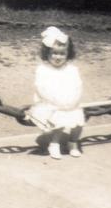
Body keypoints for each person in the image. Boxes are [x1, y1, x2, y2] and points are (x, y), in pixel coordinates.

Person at [27, 26, 85, 159]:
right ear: (47, 54)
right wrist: (55, 101)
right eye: (54, 53)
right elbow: (41, 87)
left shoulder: (71, 69)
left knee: (78, 125)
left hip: (71, 102)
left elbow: (78, 85)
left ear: (67, 54)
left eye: (62, 53)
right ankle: (54, 144)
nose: (57, 57)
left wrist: (74, 99)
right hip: (53, 103)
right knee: (59, 125)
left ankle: (73, 143)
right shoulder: (43, 70)